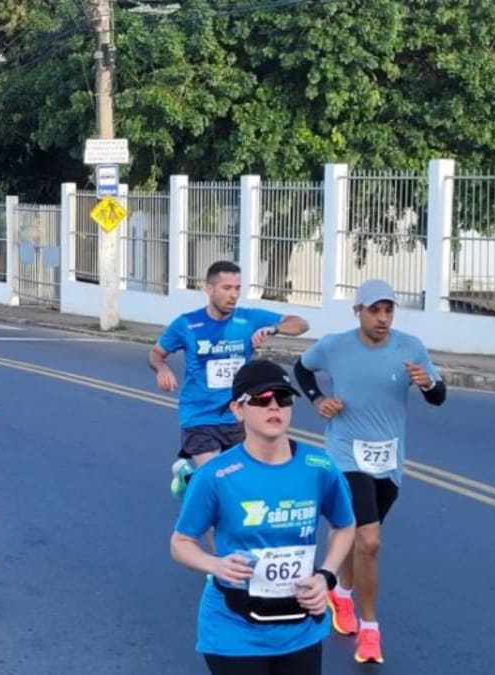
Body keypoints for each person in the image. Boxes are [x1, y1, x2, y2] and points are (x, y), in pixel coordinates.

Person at [293, 278, 446, 665]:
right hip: (346, 454)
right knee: (370, 541)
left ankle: (341, 593)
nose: (382, 318)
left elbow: (438, 396)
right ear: (357, 311)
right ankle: (371, 629)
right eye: (374, 310)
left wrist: (428, 384)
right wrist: (319, 400)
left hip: (389, 460)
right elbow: (302, 368)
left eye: (388, 310)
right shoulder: (335, 346)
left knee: (356, 537)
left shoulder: (410, 347)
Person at [170, 359, 356, 675]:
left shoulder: (319, 467)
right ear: (237, 410)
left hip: (300, 627)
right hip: (233, 628)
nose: (275, 406)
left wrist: (326, 576)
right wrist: (215, 564)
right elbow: (181, 542)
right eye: (261, 399)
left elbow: (345, 525)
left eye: (283, 398)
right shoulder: (216, 475)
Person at [148, 261, 309, 498]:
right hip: (199, 416)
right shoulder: (187, 324)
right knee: (219, 490)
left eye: (237, 288)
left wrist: (273, 329)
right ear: (209, 289)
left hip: (238, 416)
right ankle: (200, 485)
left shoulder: (249, 319)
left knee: (242, 485)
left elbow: (301, 324)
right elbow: (156, 354)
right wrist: (162, 369)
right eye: (226, 288)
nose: (233, 295)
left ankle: (189, 478)